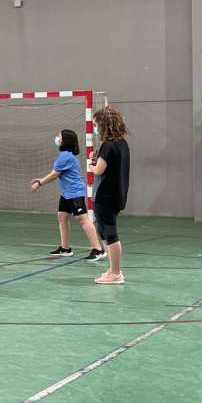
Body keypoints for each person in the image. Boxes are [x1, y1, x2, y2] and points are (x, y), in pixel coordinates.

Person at [30, 129, 106, 261]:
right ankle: (65, 249)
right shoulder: (65, 155)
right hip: (66, 193)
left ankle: (98, 249)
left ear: (64, 141)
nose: (57, 138)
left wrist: (39, 182)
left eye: (59, 136)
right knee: (62, 216)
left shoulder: (65, 156)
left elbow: (55, 174)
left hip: (74, 192)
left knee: (83, 219)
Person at [88, 106, 130, 285]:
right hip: (118, 194)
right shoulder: (122, 144)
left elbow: (98, 170)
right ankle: (113, 269)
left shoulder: (107, 145)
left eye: (97, 125)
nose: (96, 128)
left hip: (105, 196)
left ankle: (115, 272)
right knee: (104, 230)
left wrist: (90, 164)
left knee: (110, 232)